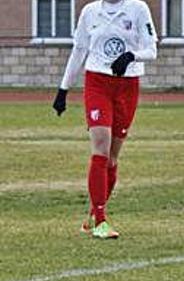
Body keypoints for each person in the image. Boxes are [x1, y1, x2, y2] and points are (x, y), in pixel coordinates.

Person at [53, 0, 158, 238]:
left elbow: (152, 50)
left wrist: (131, 56)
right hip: (97, 83)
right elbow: (79, 50)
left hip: (127, 86)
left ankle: (93, 212)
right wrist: (63, 89)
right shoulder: (90, 12)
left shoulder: (138, 9)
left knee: (111, 158)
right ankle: (101, 220)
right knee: (100, 147)